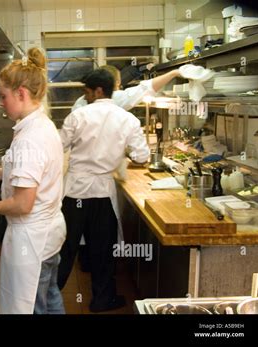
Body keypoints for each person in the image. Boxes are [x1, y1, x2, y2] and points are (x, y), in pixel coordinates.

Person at [0, 47, 66, 314]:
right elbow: (37, 178)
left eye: (3, 96)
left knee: (35, 307)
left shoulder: (29, 139)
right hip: (48, 236)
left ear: (21, 93)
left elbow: (23, 204)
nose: (0, 103)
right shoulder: (42, 125)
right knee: (50, 296)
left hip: (32, 242)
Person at [71, 65, 181, 273]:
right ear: (112, 88)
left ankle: (82, 270)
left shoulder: (81, 105)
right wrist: (175, 73)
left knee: (81, 236)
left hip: (77, 183)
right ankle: (101, 288)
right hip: (96, 183)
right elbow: (144, 89)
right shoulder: (109, 103)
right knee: (102, 236)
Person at [58, 69, 150, 312]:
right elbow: (143, 156)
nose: (85, 96)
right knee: (103, 250)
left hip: (74, 192)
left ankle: (46, 299)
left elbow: (58, 146)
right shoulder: (128, 119)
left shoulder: (77, 117)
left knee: (64, 249)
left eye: (87, 91)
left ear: (98, 90)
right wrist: (119, 150)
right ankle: (102, 299)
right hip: (101, 192)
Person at [72, 65, 181, 111]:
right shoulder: (116, 98)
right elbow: (146, 88)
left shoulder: (80, 102)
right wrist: (173, 73)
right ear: (117, 82)